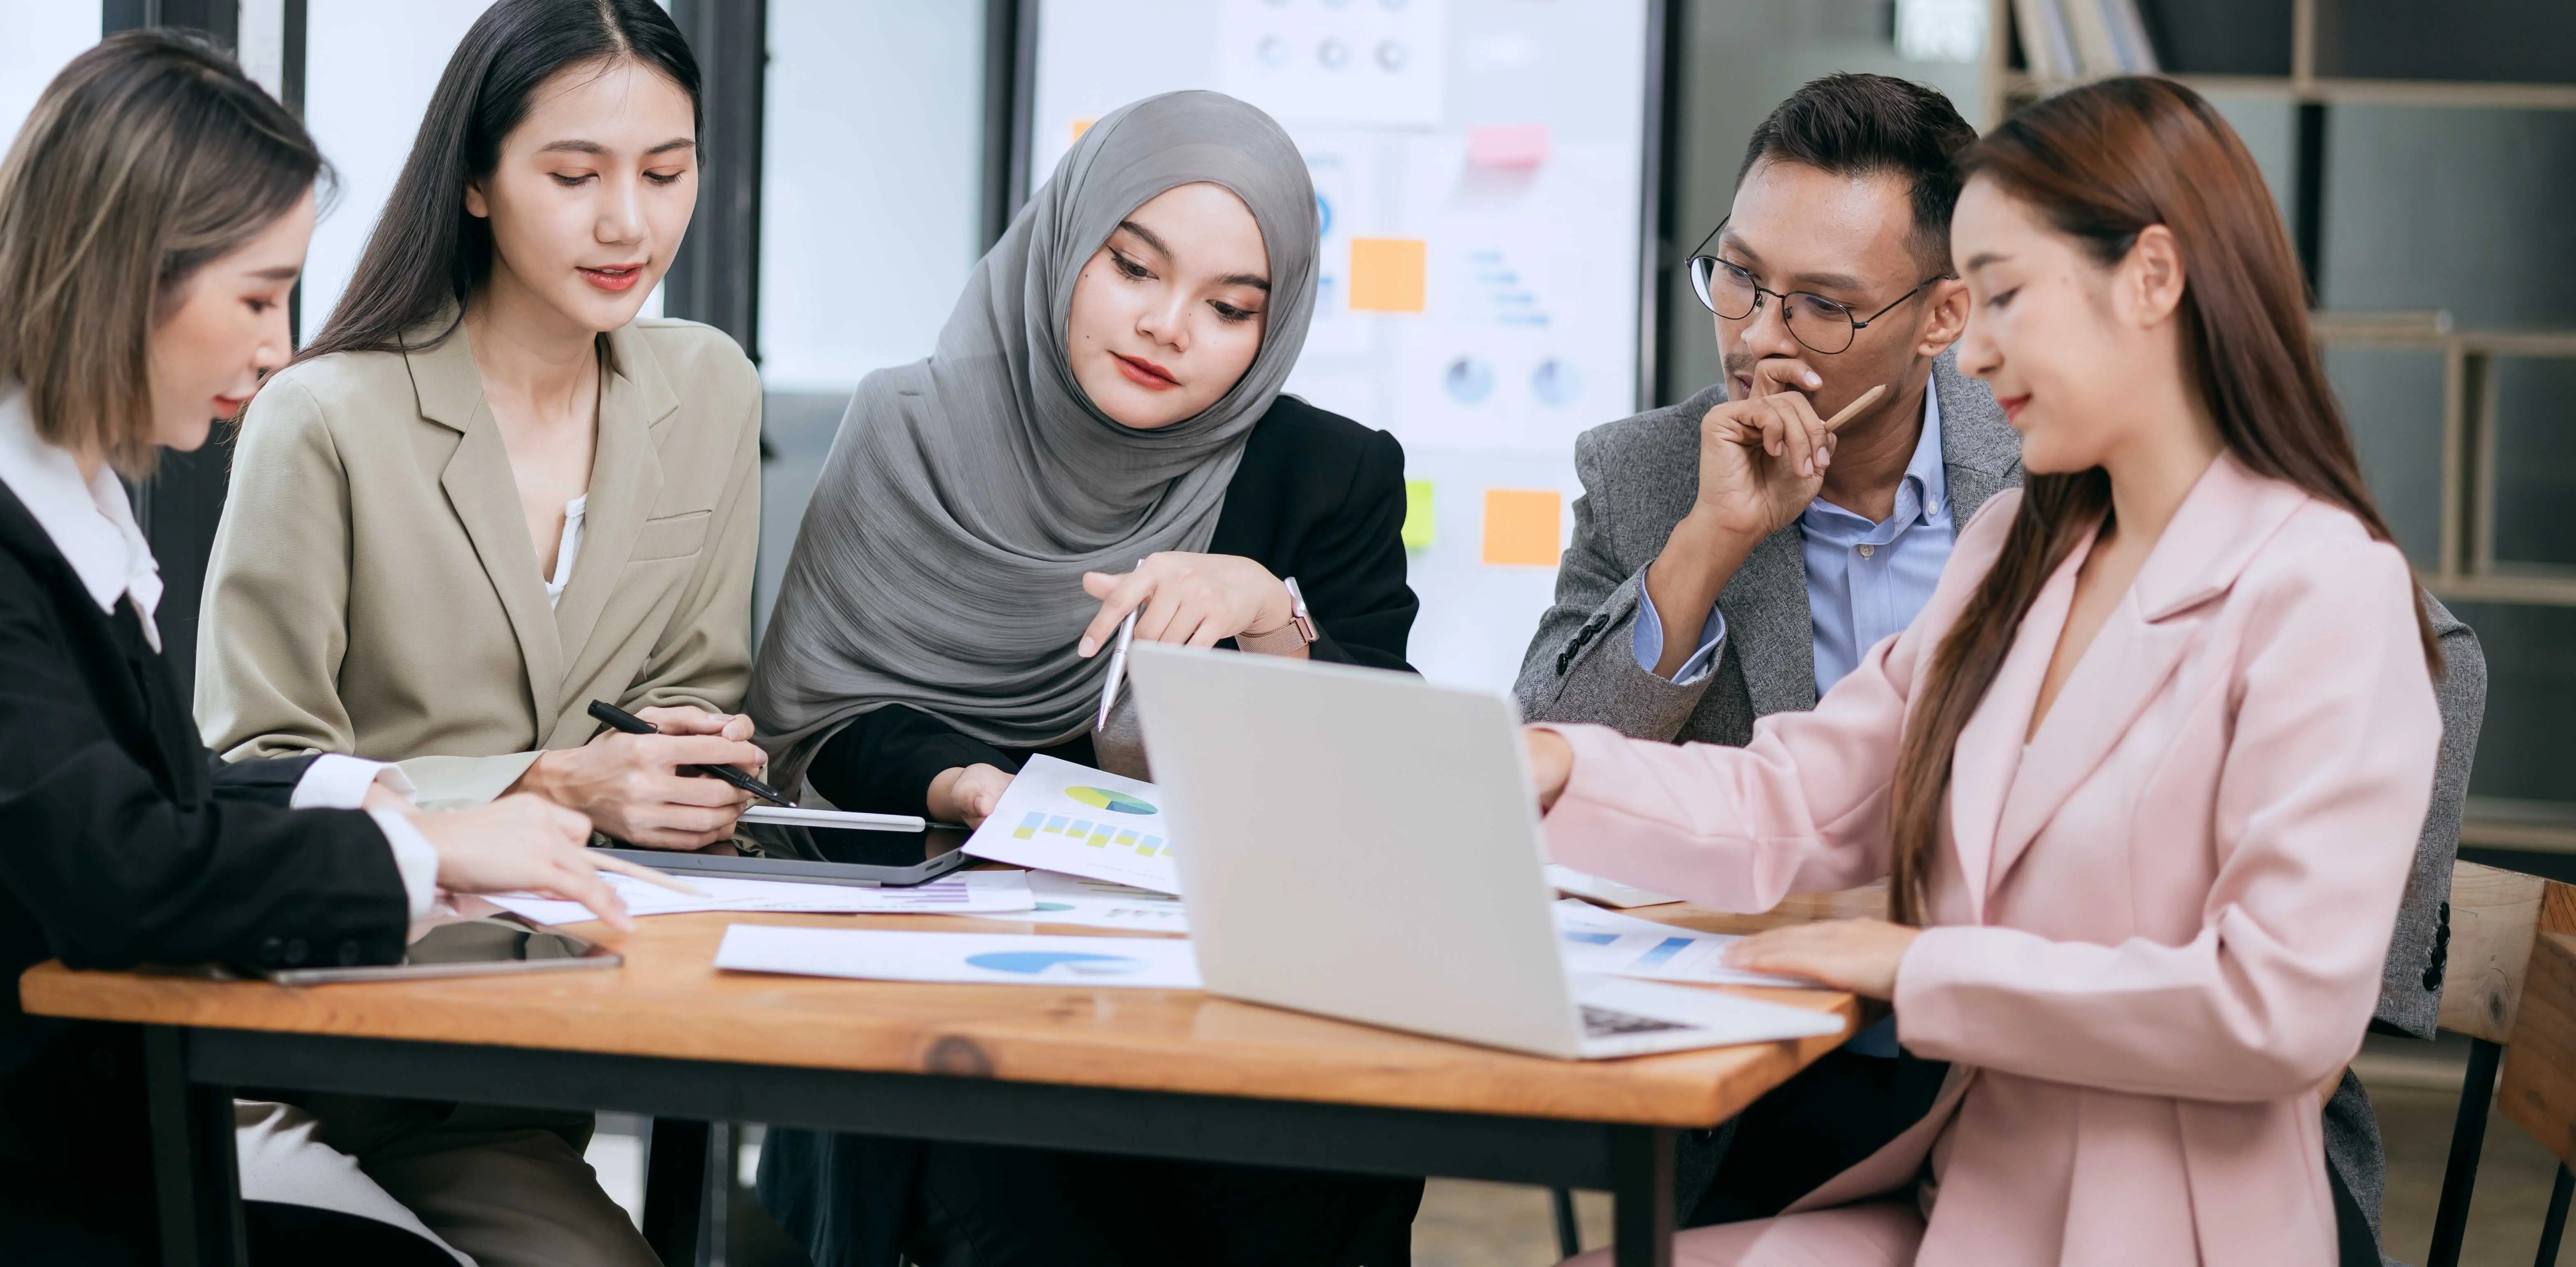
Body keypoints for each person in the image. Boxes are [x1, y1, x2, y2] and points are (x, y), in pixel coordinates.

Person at [1513, 73, 2483, 1246]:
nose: (1973, 355)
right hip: (1975, 1187)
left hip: (2169, 1220)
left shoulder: (2326, 588)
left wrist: (1917, 968)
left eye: (2006, 299)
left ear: (2154, 280)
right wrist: (1562, 764)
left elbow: (2278, 1008)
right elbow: (1801, 797)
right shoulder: (2016, 549)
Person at [0, 32, 637, 1266]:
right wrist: (419, 853)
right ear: (120, 275)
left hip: (78, 1149)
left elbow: (147, 792)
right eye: (257, 298)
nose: (276, 347)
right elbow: (123, 867)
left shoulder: (51, 499)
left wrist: (376, 802)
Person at [748, 89, 1421, 1267]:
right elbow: (827, 716)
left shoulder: (1330, 474)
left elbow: (1384, 773)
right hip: (957, 1008)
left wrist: (1272, 617)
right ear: (1066, 245)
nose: (1168, 326)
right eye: (1135, 268)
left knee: (1329, 1169)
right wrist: (966, 787)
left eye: (1229, 308)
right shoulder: (912, 426)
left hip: (1236, 1009)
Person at [195, 0, 765, 1265]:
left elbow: (699, 688)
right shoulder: (326, 416)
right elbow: (256, 771)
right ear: (475, 181)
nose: (629, 222)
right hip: (336, 1049)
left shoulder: (710, 388)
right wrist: (549, 782)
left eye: (666, 172)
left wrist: (694, 760)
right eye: (574, 175)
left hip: (562, 1043)